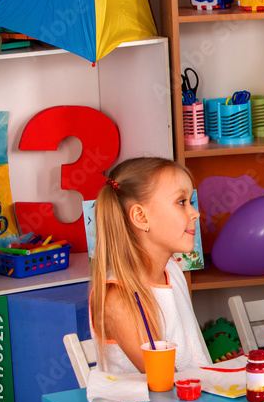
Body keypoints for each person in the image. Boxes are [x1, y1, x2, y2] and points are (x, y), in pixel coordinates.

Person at [89, 158, 211, 374]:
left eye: (190, 201)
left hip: (196, 399)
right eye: (181, 202)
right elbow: (166, 381)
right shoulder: (118, 297)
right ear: (141, 216)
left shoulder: (172, 269)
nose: (195, 213)